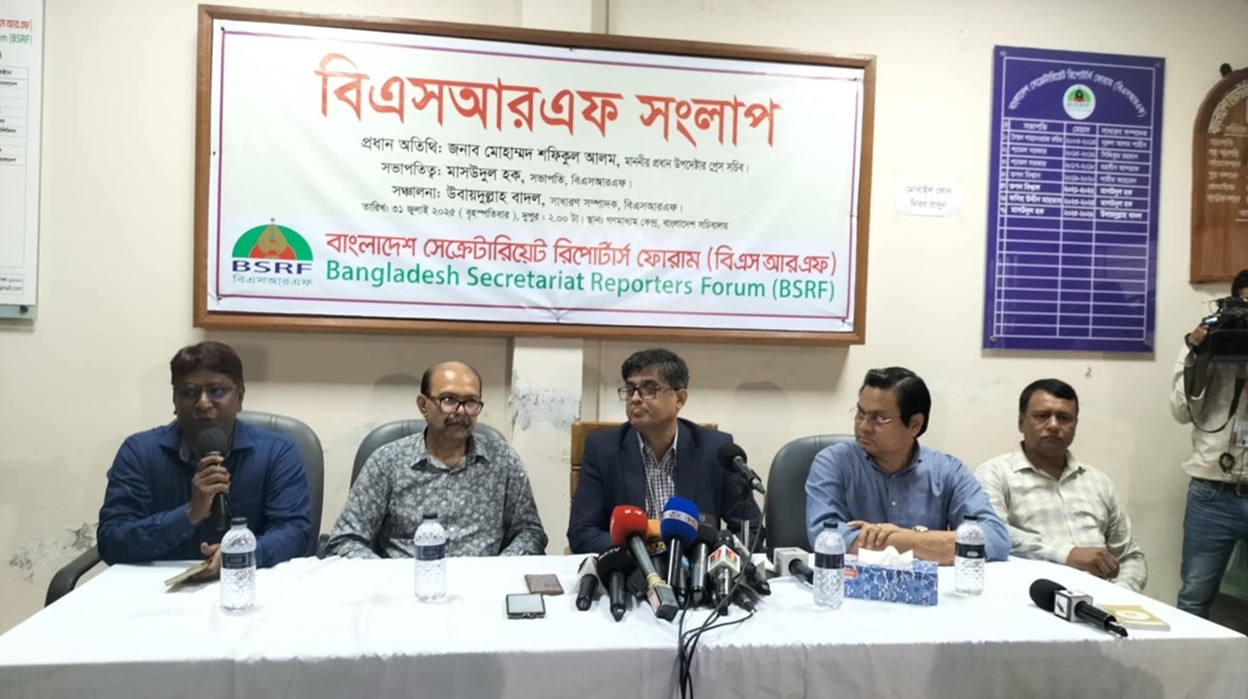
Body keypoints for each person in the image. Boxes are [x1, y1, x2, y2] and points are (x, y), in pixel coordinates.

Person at [97, 341, 312, 578]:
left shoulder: (276, 452)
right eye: (190, 393)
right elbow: (111, 542)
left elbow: (295, 533)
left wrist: (240, 553)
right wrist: (189, 514)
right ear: (174, 400)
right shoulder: (139, 453)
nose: (203, 403)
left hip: (247, 583)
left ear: (240, 396)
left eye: (216, 391)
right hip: (156, 588)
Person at [324, 361, 547, 558]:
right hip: (405, 584)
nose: (461, 411)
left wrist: (496, 572)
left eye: (471, 402)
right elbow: (345, 540)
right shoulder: (387, 462)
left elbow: (530, 533)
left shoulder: (503, 460)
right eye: (448, 400)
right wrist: (390, 578)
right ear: (423, 405)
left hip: (483, 584)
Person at [805, 366, 1009, 564]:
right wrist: (928, 543)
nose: (864, 426)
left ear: (914, 424)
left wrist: (904, 537)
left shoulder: (948, 471)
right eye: (860, 414)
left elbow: (995, 539)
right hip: (853, 582)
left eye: (878, 418)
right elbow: (825, 537)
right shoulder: (833, 462)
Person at [568, 348, 760, 554]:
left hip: (695, 567)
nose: (635, 398)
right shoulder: (603, 449)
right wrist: (641, 551)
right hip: (630, 565)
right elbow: (582, 532)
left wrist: (713, 555)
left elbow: (751, 530)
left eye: (648, 389)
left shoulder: (715, 449)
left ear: (679, 399)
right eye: (630, 389)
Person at [977, 379, 1147, 591]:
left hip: (1104, 600)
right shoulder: (996, 474)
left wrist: (1120, 594)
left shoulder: (1099, 482)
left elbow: (1130, 556)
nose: (1054, 425)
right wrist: (1068, 554)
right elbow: (993, 534)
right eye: (1042, 416)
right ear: (1021, 422)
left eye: (1064, 418)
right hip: (1034, 597)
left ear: (1075, 426)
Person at [1171, 269, 1248, 617]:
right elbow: (1180, 411)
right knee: (1194, 598)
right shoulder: (1209, 341)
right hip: (1212, 493)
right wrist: (1198, 354)